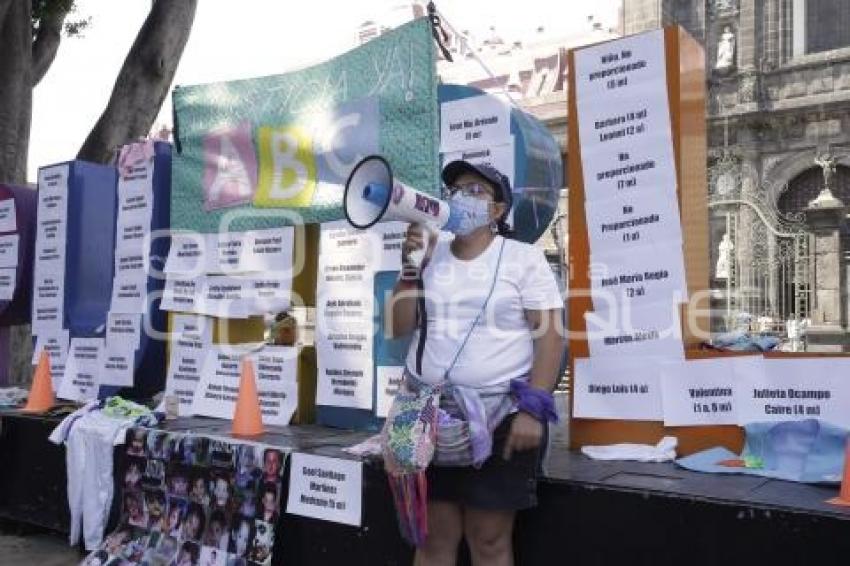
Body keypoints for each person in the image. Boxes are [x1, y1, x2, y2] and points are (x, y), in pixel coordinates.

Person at [387, 161, 563, 566]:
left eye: (475, 190)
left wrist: (534, 409)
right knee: (432, 539)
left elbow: (551, 335)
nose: (461, 196)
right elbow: (398, 328)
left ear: (497, 211)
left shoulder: (522, 259)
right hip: (425, 417)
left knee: (488, 539)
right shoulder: (431, 256)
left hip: (499, 418)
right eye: (456, 189)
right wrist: (410, 268)